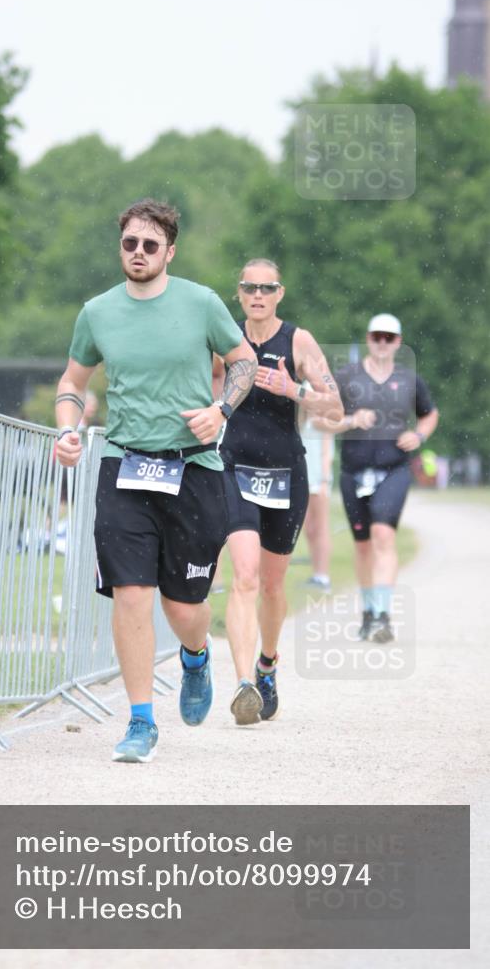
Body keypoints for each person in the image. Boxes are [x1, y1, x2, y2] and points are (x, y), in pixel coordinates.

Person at [54, 199, 257, 762]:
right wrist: (68, 428)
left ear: (170, 251)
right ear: (120, 247)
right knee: (132, 594)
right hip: (124, 465)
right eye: (129, 244)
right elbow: (72, 382)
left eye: (149, 245)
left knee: (183, 603)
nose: (137, 253)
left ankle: (195, 655)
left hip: (193, 468)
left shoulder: (201, 303)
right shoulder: (97, 311)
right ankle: (141, 720)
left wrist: (221, 410)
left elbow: (244, 362)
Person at [217, 259, 343, 725]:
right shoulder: (226, 338)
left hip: (286, 473)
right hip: (233, 468)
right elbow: (198, 387)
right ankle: (242, 685)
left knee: (271, 584)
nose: (257, 294)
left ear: (279, 293)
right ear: (239, 292)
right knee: (245, 576)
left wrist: (296, 389)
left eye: (266, 288)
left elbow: (334, 407)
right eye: (249, 286)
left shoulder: (299, 341)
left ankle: (266, 664)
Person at [318, 313, 438, 641]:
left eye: (389, 337)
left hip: (394, 469)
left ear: (398, 342)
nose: (382, 343)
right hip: (354, 472)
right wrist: (351, 420)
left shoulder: (410, 380)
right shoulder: (346, 377)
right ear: (368, 338)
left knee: (384, 536)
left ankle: (384, 615)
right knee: (363, 547)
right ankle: (369, 613)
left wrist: (419, 436)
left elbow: (429, 414)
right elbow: (322, 421)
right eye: (377, 337)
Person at [301, 400, 334, 592]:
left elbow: (326, 448)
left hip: (318, 477)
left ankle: (323, 576)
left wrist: (323, 478)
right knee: (309, 528)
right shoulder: (298, 414)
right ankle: (316, 573)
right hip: (301, 476)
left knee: (320, 527)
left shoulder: (324, 410)